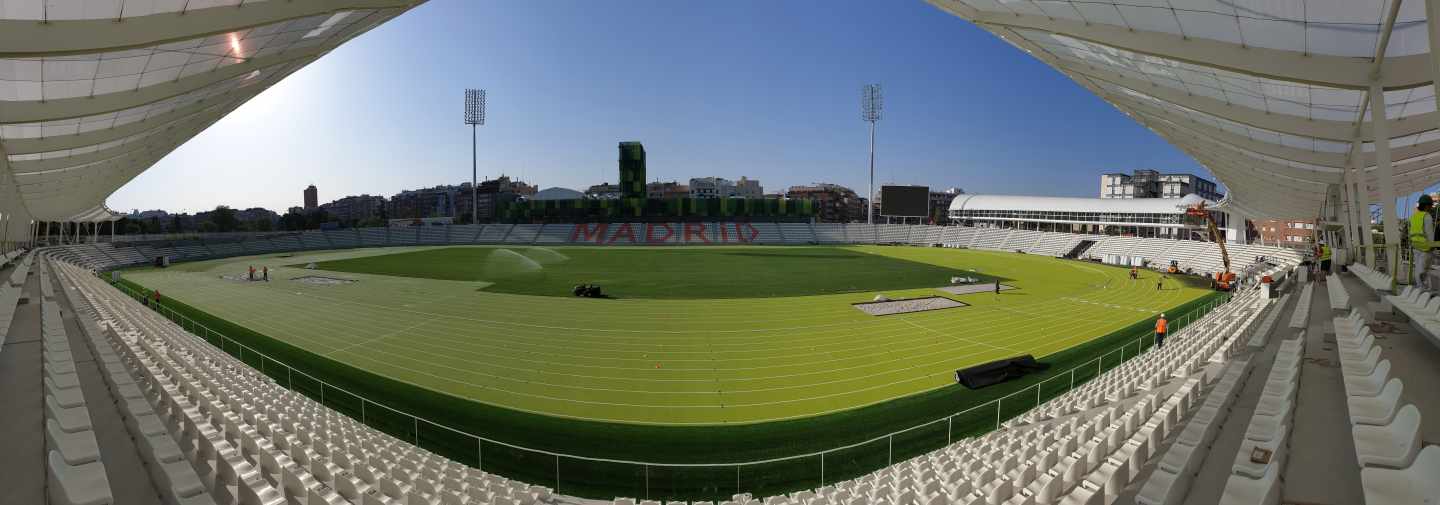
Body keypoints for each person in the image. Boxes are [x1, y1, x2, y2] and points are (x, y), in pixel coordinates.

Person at [1409, 195, 1436, 290]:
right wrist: (1432, 246)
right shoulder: (1427, 216)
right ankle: (1424, 289)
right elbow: (1429, 233)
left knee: (1418, 269)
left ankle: (1420, 288)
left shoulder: (1413, 217)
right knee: (1424, 269)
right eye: (1430, 205)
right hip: (1426, 248)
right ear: (1426, 206)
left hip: (1416, 246)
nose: (1431, 207)